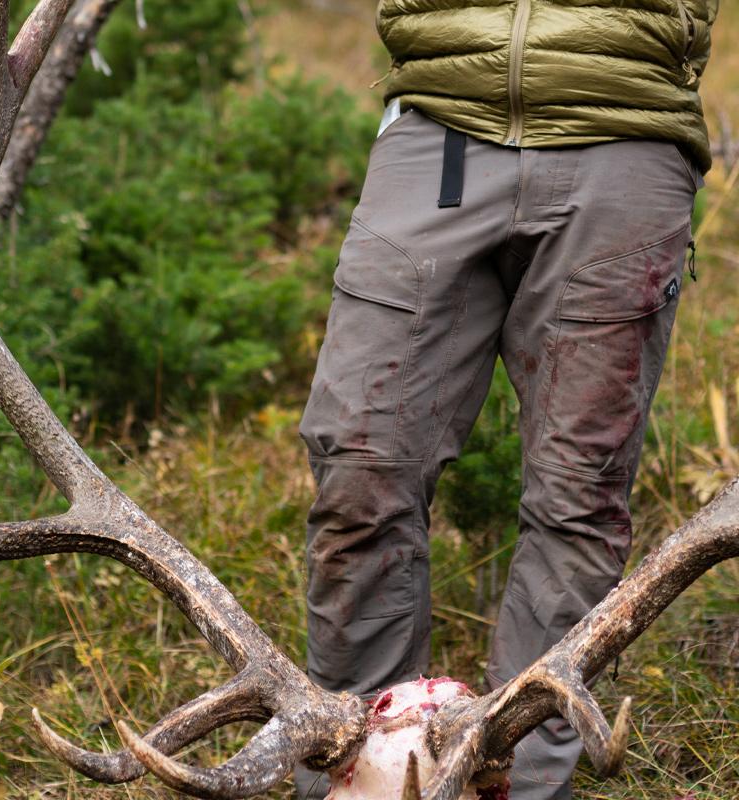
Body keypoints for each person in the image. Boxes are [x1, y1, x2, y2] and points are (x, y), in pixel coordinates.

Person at [295, 2, 718, 798]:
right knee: (359, 472)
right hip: (441, 121)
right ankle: (367, 775)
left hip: (625, 124)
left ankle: (513, 784)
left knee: (578, 498)